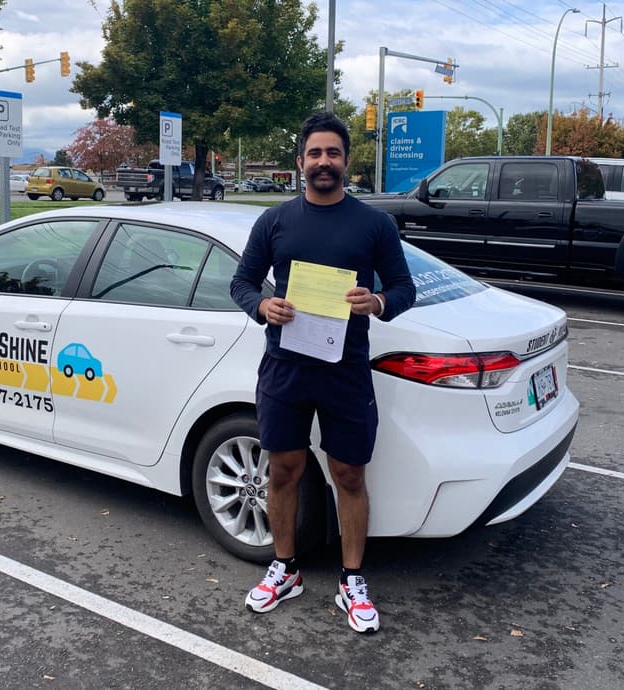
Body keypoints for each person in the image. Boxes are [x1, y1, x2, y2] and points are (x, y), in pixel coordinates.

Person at [230, 112, 416, 634]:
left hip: (345, 370)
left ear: (346, 161)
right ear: (300, 162)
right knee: (283, 470)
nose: (324, 161)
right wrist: (262, 305)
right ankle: (285, 568)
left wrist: (377, 301)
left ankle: (351, 578)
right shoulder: (274, 221)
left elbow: (404, 288)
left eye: (333, 152)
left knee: (349, 475)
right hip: (285, 368)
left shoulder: (374, 224)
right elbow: (242, 283)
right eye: (315, 153)